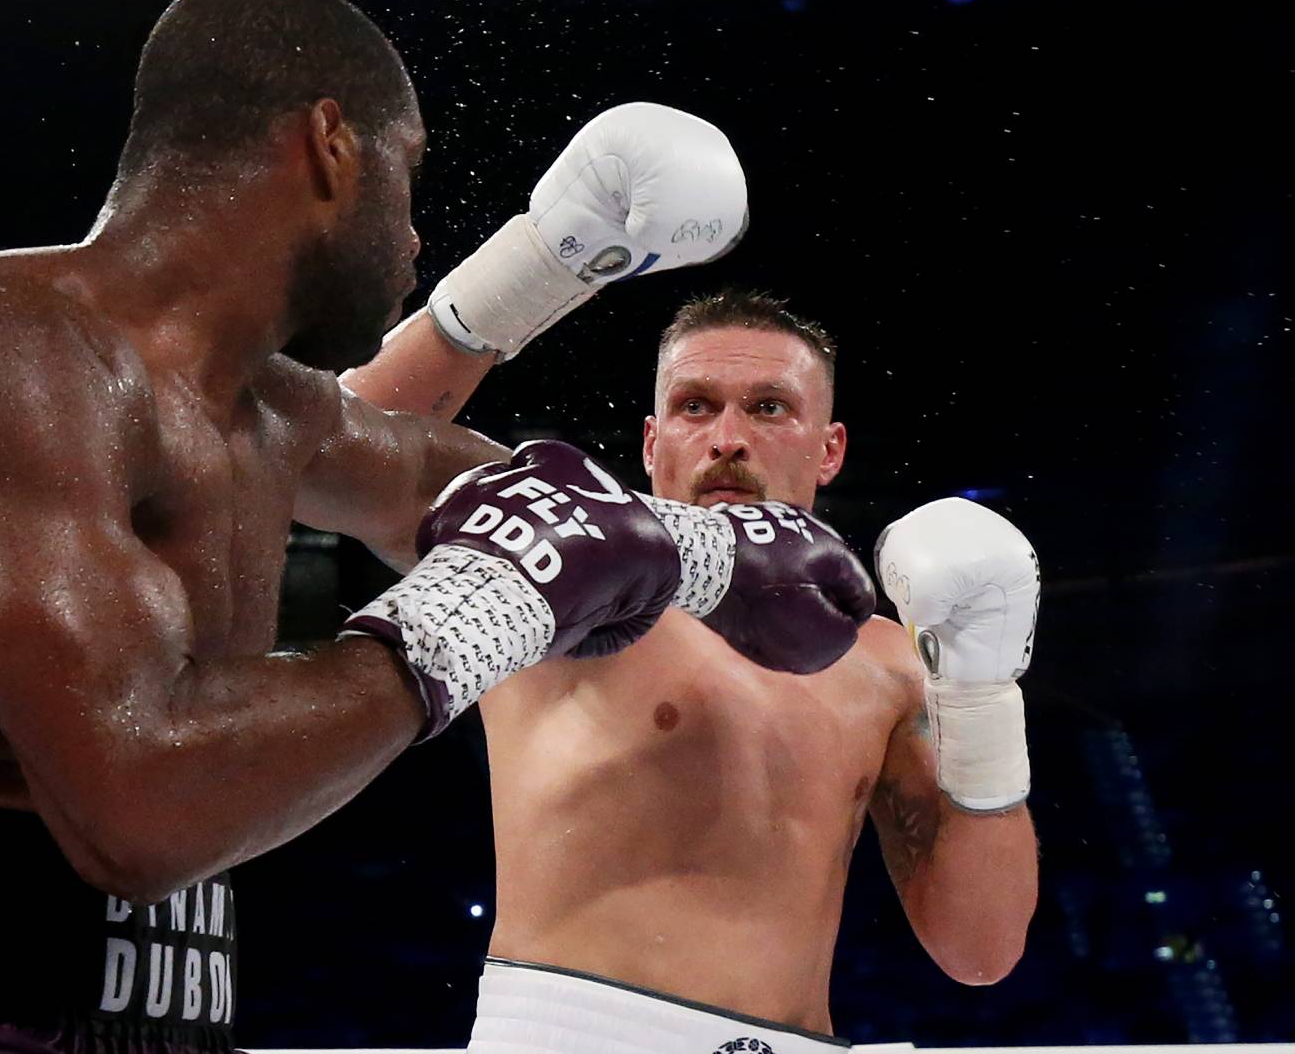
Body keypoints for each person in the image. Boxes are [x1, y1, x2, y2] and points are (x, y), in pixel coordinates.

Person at [0, 0, 874, 1054]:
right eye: (410, 173)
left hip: (170, 1016)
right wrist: (469, 617)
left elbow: (478, 489)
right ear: (332, 145)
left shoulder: (272, 411)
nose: (418, 233)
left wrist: (711, 550)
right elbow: (139, 806)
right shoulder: (11, 355)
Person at [347, 281, 1042, 1053]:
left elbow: (981, 950)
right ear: (651, 442)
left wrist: (983, 691)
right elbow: (344, 445)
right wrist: (541, 257)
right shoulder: (565, 565)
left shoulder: (891, 659)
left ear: (831, 448)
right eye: (696, 406)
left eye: (769, 408)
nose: (728, 439)